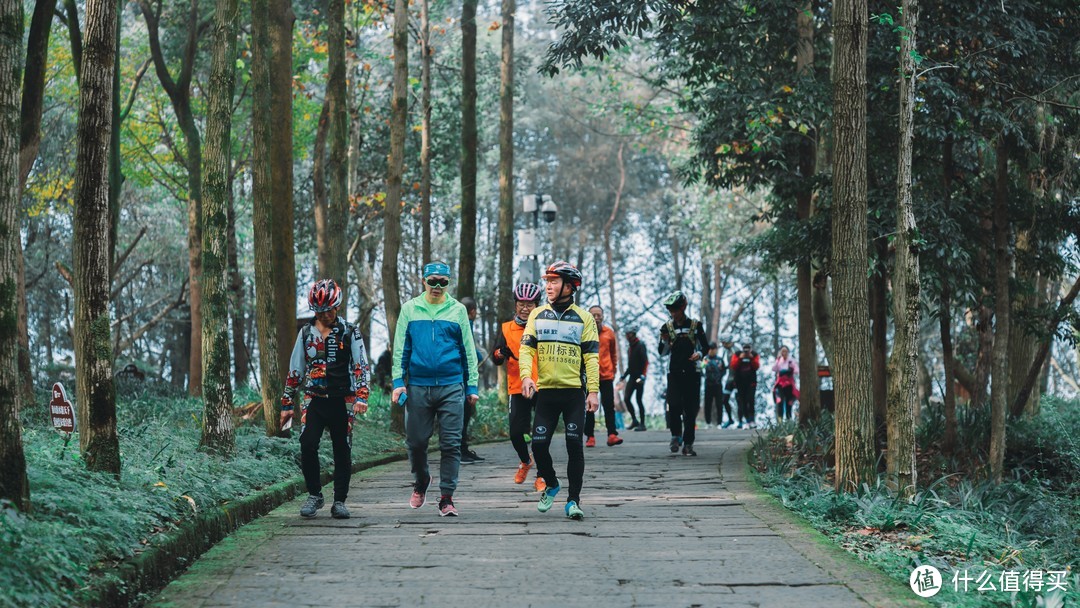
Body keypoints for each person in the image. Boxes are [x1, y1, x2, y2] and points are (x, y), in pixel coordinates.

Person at [391, 262, 479, 517]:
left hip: (452, 385)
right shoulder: (410, 309)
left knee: (451, 444)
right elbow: (401, 348)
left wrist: (471, 385)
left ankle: (446, 497)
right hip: (418, 386)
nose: (438, 286)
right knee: (416, 442)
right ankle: (421, 481)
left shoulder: (458, 310)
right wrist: (399, 381)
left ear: (448, 283)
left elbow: (468, 350)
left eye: (443, 281)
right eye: (433, 281)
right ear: (424, 281)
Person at [281, 279, 370, 520]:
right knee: (307, 444)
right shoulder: (306, 333)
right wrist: (287, 403)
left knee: (342, 448)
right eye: (320, 311)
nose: (325, 314)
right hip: (314, 400)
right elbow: (296, 369)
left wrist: (362, 396)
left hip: (343, 399)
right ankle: (314, 495)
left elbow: (360, 365)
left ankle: (339, 501)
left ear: (337, 306)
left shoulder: (350, 332)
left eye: (329, 309)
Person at [519, 261, 600, 521]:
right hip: (546, 394)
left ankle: (573, 501)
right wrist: (526, 376)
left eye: (554, 281)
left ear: (570, 286)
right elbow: (526, 349)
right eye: (547, 281)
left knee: (574, 445)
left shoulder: (585, 318)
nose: (548, 286)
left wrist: (593, 391)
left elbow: (592, 358)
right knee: (539, 446)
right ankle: (552, 483)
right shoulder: (537, 314)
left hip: (574, 393)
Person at [490, 282, 546, 492]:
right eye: (521, 303)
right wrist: (499, 353)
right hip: (518, 386)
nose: (525, 308)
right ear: (515, 304)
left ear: (537, 305)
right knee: (515, 433)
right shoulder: (506, 328)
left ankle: (542, 475)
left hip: (542, 386)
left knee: (541, 434)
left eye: (529, 304)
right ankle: (525, 461)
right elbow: (495, 356)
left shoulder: (545, 325)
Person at [659, 290, 709, 456]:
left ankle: (688, 444)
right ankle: (675, 436)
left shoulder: (695, 326)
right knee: (673, 405)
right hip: (673, 373)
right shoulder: (667, 327)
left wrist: (699, 355)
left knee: (690, 409)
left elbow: (705, 347)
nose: (673, 313)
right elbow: (662, 352)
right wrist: (666, 341)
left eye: (675, 310)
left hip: (692, 373)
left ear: (683, 308)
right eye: (671, 310)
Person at [584, 306, 623, 448]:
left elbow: (613, 353)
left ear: (603, 316)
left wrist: (614, 370)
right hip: (589, 375)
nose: (596, 317)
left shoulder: (609, 333)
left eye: (599, 315)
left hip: (606, 375)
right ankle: (590, 436)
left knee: (608, 405)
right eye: (593, 315)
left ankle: (612, 434)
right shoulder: (585, 332)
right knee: (589, 406)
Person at [458, 296, 486, 464]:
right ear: (473, 311)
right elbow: (469, 350)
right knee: (463, 414)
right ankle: (460, 451)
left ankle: (464, 449)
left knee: (464, 414)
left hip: (460, 375)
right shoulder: (465, 325)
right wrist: (479, 356)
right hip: (463, 376)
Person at [620, 328, 649, 431]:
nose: (627, 337)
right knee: (627, 399)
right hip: (632, 377)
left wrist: (643, 375)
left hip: (639, 378)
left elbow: (646, 362)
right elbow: (630, 365)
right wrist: (624, 376)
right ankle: (634, 420)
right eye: (626, 335)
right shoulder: (630, 348)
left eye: (628, 335)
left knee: (638, 400)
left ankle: (642, 424)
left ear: (633, 334)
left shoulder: (640, 345)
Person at [730, 343, 761, 429]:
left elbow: (757, 366)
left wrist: (751, 358)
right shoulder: (737, 354)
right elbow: (733, 365)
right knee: (742, 401)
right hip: (740, 382)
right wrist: (740, 358)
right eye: (745, 348)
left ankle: (752, 420)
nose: (746, 350)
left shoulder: (754, 355)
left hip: (751, 382)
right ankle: (747, 420)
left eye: (748, 348)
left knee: (750, 399)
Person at [772, 345, 800, 421]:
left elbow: (797, 370)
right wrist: (778, 359)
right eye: (782, 351)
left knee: (789, 403)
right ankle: (780, 421)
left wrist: (790, 370)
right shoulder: (779, 360)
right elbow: (774, 368)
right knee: (779, 401)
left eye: (785, 351)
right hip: (780, 384)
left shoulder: (791, 360)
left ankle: (789, 420)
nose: (784, 353)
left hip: (789, 384)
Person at [702, 342, 727, 429]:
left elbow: (724, 370)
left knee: (719, 404)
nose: (712, 351)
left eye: (713, 349)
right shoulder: (705, 359)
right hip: (708, 385)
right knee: (707, 404)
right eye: (710, 349)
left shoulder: (720, 359)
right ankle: (708, 422)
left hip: (718, 385)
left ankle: (719, 423)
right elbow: (701, 367)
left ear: (716, 349)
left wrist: (720, 377)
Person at [718, 336, 737, 428]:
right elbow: (728, 364)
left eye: (723, 343)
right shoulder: (726, 351)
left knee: (739, 399)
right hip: (729, 378)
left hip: (737, 379)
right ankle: (730, 419)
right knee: (724, 399)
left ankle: (742, 421)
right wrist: (723, 367)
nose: (723, 345)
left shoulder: (735, 349)